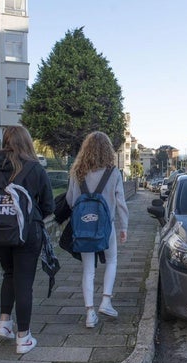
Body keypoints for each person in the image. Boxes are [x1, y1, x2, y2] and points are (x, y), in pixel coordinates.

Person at [0, 125, 54, 354]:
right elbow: (49, 206)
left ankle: (4, 323)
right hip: (27, 233)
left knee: (9, 274)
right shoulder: (35, 169)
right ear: (27, 142)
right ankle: (23, 337)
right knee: (24, 282)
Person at [66, 131, 129, 328]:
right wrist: (124, 227)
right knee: (111, 260)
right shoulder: (114, 172)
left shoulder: (77, 172)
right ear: (108, 150)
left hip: (84, 227)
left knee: (88, 269)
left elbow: (70, 200)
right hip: (106, 226)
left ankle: (90, 313)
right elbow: (121, 202)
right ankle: (106, 301)